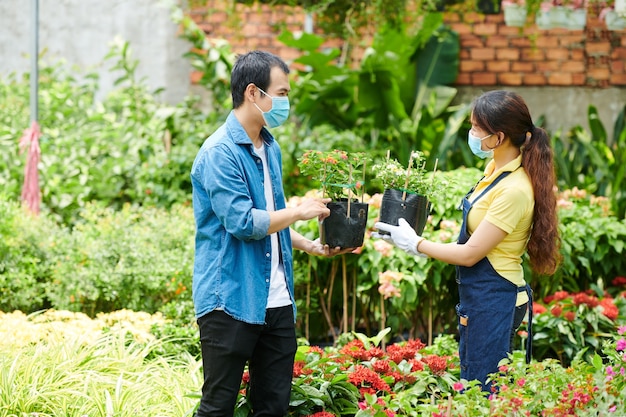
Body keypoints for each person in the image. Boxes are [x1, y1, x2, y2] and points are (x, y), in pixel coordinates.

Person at [190, 50, 348, 417]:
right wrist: (299, 211)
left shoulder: (269, 147)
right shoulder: (219, 153)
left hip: (276, 302)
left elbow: (268, 220)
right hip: (230, 298)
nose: (285, 102)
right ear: (253, 93)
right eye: (281, 93)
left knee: (272, 407)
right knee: (218, 407)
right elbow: (245, 223)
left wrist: (307, 243)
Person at [374, 90, 560, 391]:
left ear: (497, 138)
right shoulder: (495, 171)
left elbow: (471, 254)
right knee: (474, 381)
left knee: (483, 389)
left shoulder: (514, 189)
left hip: (495, 297)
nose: (471, 133)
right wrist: (423, 239)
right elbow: (478, 234)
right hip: (481, 297)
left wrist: (416, 244)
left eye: (476, 128)